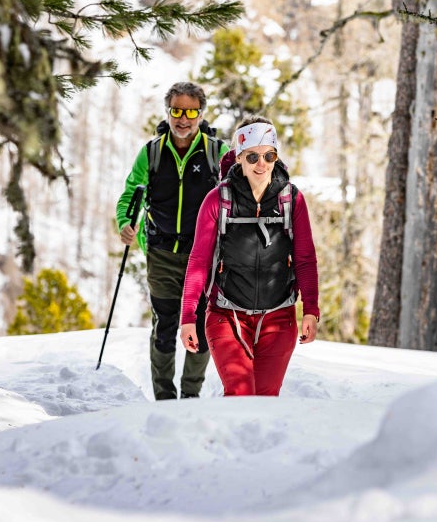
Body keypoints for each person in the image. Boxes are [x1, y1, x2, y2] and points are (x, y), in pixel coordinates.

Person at [179, 116, 319, 396]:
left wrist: (311, 310)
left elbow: (305, 258)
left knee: (266, 398)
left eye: (269, 155)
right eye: (253, 156)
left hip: (279, 317)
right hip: (227, 315)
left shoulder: (291, 200)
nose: (261, 164)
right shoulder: (218, 200)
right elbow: (199, 262)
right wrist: (187, 317)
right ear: (239, 157)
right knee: (240, 393)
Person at [116, 82, 229, 400]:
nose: (183, 119)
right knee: (164, 325)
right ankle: (165, 398)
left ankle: (190, 394)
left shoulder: (217, 153)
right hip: (162, 252)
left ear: (201, 114)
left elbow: (236, 196)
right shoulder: (152, 152)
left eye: (191, 112)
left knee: (201, 323)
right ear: (168, 112)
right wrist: (126, 223)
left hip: (204, 256)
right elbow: (131, 193)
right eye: (177, 111)